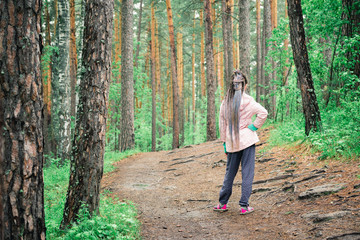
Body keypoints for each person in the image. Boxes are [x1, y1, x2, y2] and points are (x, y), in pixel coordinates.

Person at [214, 70, 268, 214]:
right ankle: (244, 206)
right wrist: (253, 126)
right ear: (244, 86)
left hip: (232, 141)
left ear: (232, 85)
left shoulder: (225, 103)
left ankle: (222, 204)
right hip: (247, 140)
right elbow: (264, 113)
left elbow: (222, 124)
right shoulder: (249, 101)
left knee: (229, 173)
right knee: (247, 172)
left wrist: (225, 142)